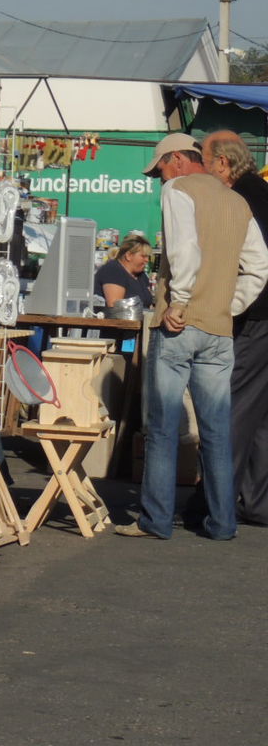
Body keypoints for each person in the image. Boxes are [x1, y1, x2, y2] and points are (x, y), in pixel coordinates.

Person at [115, 133, 268, 540]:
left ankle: (156, 520)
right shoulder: (237, 201)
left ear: (179, 160)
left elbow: (184, 250)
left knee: (164, 429)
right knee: (217, 429)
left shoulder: (177, 190)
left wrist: (180, 302)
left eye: (161, 167)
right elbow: (259, 265)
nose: (158, 176)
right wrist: (230, 305)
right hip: (220, 328)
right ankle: (222, 523)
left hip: (179, 324)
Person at [195, 131, 268, 525]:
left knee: (234, 411)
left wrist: (231, 308)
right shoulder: (263, 192)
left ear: (222, 163)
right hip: (263, 319)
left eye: (205, 162)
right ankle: (257, 503)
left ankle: (216, 504)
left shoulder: (240, 199)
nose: (204, 171)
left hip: (256, 318)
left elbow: (255, 266)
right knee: (260, 417)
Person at [94, 235, 154, 309]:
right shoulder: (113, 270)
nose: (147, 260)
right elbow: (115, 306)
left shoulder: (141, 275)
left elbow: (148, 303)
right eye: (143, 256)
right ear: (128, 255)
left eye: (148, 257)